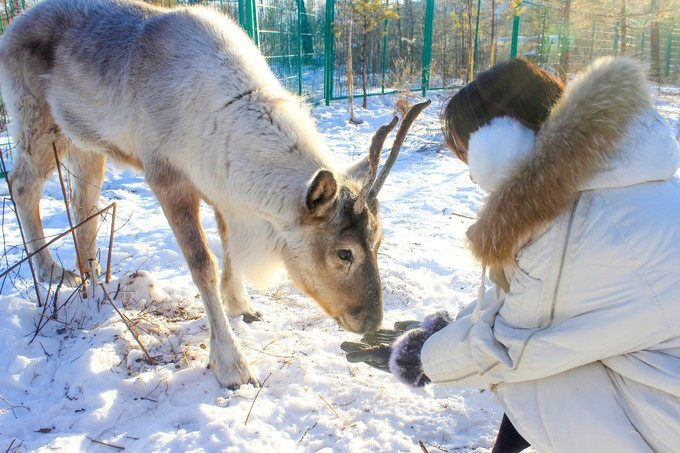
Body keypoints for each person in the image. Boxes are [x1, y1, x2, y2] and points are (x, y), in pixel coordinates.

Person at [342, 56, 680, 453]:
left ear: (506, 143)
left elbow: (514, 346)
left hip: (666, 419)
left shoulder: (582, 226)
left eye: (469, 155)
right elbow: (532, 304)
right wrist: (444, 331)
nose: (470, 173)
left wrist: (420, 359)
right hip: (662, 381)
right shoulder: (613, 181)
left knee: (531, 372)